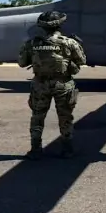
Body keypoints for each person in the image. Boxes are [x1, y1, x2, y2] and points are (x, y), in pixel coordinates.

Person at [17, 10, 87, 160]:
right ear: (60, 24)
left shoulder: (32, 43)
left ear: (41, 26)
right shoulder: (69, 42)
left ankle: (35, 150)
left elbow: (22, 63)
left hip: (40, 84)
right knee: (65, 117)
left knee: (37, 117)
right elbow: (82, 61)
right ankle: (67, 150)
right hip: (63, 84)